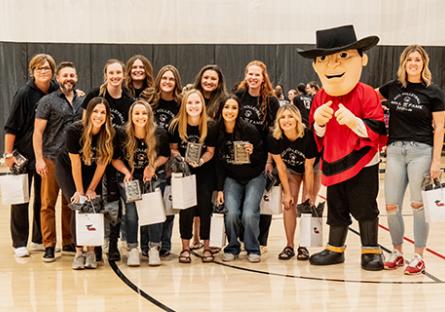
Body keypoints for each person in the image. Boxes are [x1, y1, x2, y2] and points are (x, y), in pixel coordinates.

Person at [298, 25, 387, 271]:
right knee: (336, 206)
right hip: (333, 161)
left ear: (361, 58)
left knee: (366, 206)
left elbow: (378, 129)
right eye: (324, 58)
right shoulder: (319, 98)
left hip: (363, 162)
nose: (333, 65)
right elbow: (316, 137)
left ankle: (370, 251)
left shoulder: (367, 93)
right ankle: (335, 249)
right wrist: (319, 123)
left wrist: (355, 122)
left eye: (343, 56)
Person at [377, 45, 445, 275]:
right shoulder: (393, 87)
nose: (413, 63)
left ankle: (419, 255)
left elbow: (440, 128)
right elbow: (369, 98)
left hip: (421, 152)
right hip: (395, 151)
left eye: (417, 59)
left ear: (423, 64)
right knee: (392, 206)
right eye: (409, 60)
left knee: (417, 206)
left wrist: (436, 161)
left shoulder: (433, 92)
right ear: (403, 63)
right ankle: (397, 252)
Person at [4, 53, 58, 257]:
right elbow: (11, 127)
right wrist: (8, 154)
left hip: (46, 155)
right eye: (39, 68)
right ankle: (19, 242)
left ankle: (39, 239)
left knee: (42, 200)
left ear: (53, 71)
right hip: (23, 155)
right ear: (32, 71)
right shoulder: (24, 94)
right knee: (21, 199)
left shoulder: (56, 90)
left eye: (46, 68)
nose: (43, 71)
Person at [82, 59, 135, 262]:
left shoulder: (128, 101)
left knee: (115, 204)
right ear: (105, 74)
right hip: (94, 157)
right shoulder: (95, 96)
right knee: (94, 200)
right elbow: (85, 124)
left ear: (124, 75)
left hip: (116, 158)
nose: (115, 76)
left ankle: (113, 245)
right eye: (111, 73)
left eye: (118, 73)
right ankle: (95, 245)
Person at [56, 97, 115, 270]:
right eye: (95, 111)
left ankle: (91, 251)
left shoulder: (109, 133)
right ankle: (79, 252)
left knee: (93, 203)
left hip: (91, 169)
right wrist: (80, 191)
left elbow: (103, 163)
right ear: (88, 113)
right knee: (79, 203)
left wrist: (91, 189)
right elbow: (75, 163)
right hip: (67, 168)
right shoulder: (74, 131)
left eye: (103, 112)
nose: (99, 115)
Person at [33, 61, 84, 262]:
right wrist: (39, 159)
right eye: (65, 75)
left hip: (73, 159)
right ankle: (49, 245)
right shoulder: (48, 101)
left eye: (72, 75)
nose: (69, 79)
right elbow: (38, 132)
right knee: (48, 203)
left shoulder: (82, 100)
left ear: (76, 77)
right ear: (58, 78)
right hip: (52, 158)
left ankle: (69, 241)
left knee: (69, 202)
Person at [112, 100, 170, 266]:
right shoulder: (122, 133)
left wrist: (152, 166)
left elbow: (165, 155)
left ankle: (153, 248)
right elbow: (114, 159)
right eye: (137, 113)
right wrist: (126, 172)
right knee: (131, 214)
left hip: (152, 176)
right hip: (130, 178)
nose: (140, 116)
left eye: (144, 113)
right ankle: (133, 249)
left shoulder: (159, 133)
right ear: (131, 115)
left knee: (154, 212)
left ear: (149, 115)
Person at [215, 95, 267, 263]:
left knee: (249, 214)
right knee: (231, 213)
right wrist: (220, 189)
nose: (230, 111)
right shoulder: (216, 131)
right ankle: (232, 246)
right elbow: (218, 164)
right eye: (226, 107)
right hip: (232, 178)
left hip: (254, 176)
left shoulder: (249, 130)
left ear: (239, 111)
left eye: (234, 108)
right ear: (221, 109)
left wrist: (253, 152)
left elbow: (262, 157)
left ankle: (252, 247)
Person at [236, 60, 280, 253]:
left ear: (263, 78)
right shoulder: (238, 96)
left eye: (257, 75)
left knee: (262, 202)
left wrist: (270, 160)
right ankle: (242, 238)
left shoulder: (271, 101)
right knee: (242, 202)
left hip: (263, 157)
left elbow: (274, 132)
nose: (253, 78)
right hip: (239, 155)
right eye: (250, 74)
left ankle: (262, 241)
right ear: (245, 76)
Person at [169, 89, 217, 264]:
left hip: (204, 172)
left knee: (205, 209)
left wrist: (201, 161)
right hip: (185, 173)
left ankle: (206, 247)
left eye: (197, 103)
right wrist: (182, 158)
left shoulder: (210, 126)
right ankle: (185, 248)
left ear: (202, 105)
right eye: (190, 103)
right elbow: (173, 149)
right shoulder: (176, 125)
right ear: (184, 105)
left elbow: (211, 151)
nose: (193, 106)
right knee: (186, 210)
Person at [141, 64, 183, 257]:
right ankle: (146, 245)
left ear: (176, 83)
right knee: (148, 202)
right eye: (164, 78)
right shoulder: (148, 100)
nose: (167, 82)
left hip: (171, 158)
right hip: (149, 159)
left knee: (168, 204)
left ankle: (165, 244)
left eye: (171, 79)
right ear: (159, 80)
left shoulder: (180, 104)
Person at [268, 104, 317, 261]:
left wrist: (309, 193)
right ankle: (289, 246)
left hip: (313, 169)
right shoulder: (275, 137)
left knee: (306, 203)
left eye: (290, 116)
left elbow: (309, 168)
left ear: (297, 119)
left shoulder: (308, 135)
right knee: (289, 204)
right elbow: (281, 167)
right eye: (282, 117)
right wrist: (287, 193)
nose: (286, 120)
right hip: (291, 169)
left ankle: (304, 246)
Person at [191, 64, 228, 249]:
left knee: (212, 199)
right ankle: (196, 237)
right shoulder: (192, 97)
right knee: (195, 199)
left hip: (216, 154)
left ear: (219, 82)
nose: (209, 81)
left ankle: (213, 238)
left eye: (213, 78)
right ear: (200, 78)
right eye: (206, 77)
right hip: (195, 156)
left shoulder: (223, 101)